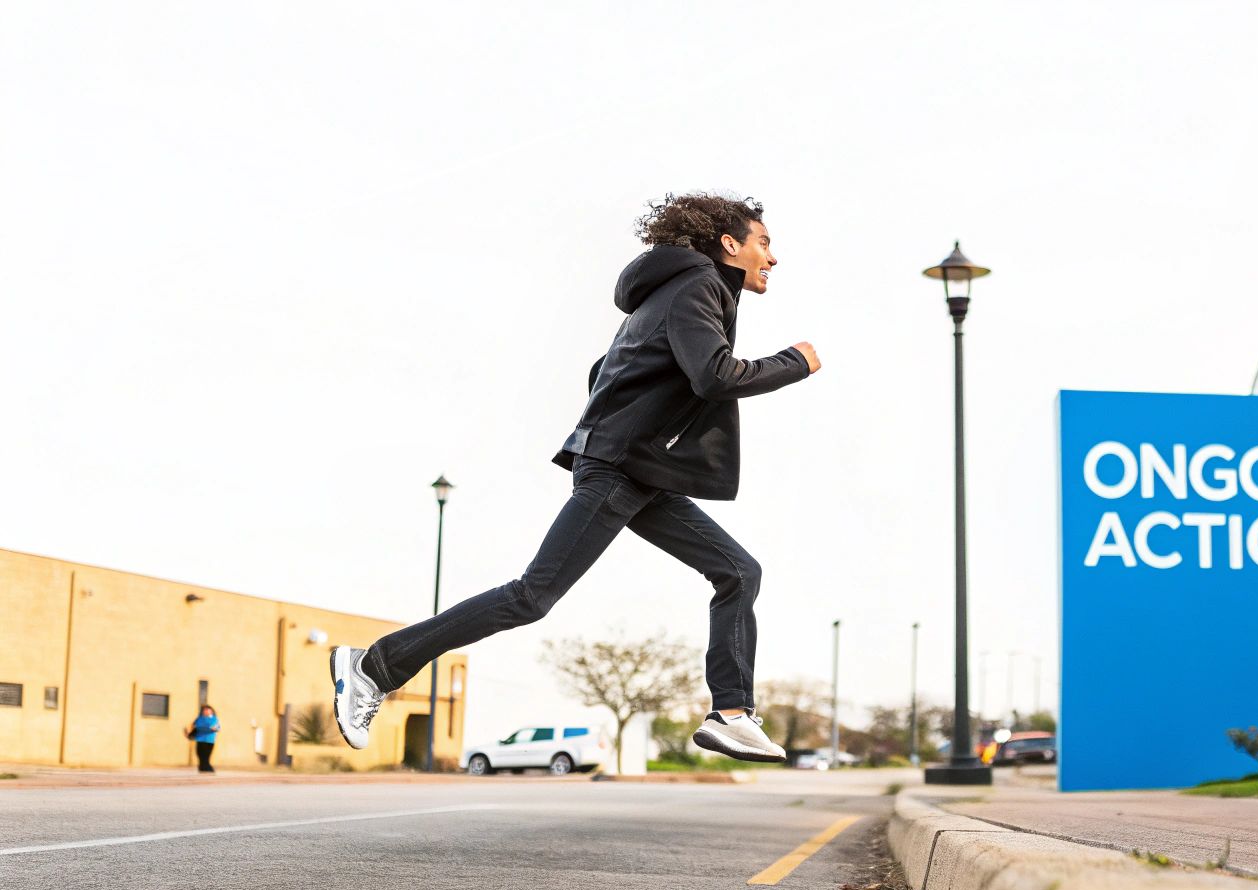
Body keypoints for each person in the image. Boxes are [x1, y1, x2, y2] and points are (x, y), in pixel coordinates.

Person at [329, 192, 820, 764]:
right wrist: (794, 362)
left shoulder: (677, 291)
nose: (773, 258)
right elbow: (713, 376)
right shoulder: (698, 286)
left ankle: (731, 714)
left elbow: (611, 374)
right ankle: (374, 665)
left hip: (637, 468)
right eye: (764, 243)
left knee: (738, 570)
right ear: (729, 245)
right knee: (531, 596)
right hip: (620, 468)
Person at [188, 705, 220, 773]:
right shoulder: (199, 718)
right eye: (204, 710)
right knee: (199, 754)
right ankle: (202, 767)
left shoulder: (214, 719)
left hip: (209, 740)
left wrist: (208, 728)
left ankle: (207, 767)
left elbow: (216, 728)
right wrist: (208, 728)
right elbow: (198, 726)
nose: (206, 711)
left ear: (211, 711)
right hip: (200, 739)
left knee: (206, 755)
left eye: (208, 710)